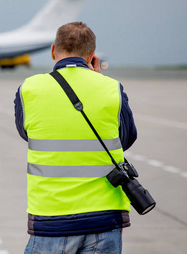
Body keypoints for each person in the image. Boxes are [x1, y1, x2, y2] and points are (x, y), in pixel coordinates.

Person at [14, 22, 137, 254]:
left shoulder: (29, 88)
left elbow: (26, 134)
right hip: (104, 216)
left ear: (53, 51)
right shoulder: (112, 88)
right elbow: (127, 138)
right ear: (92, 56)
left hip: (52, 216)